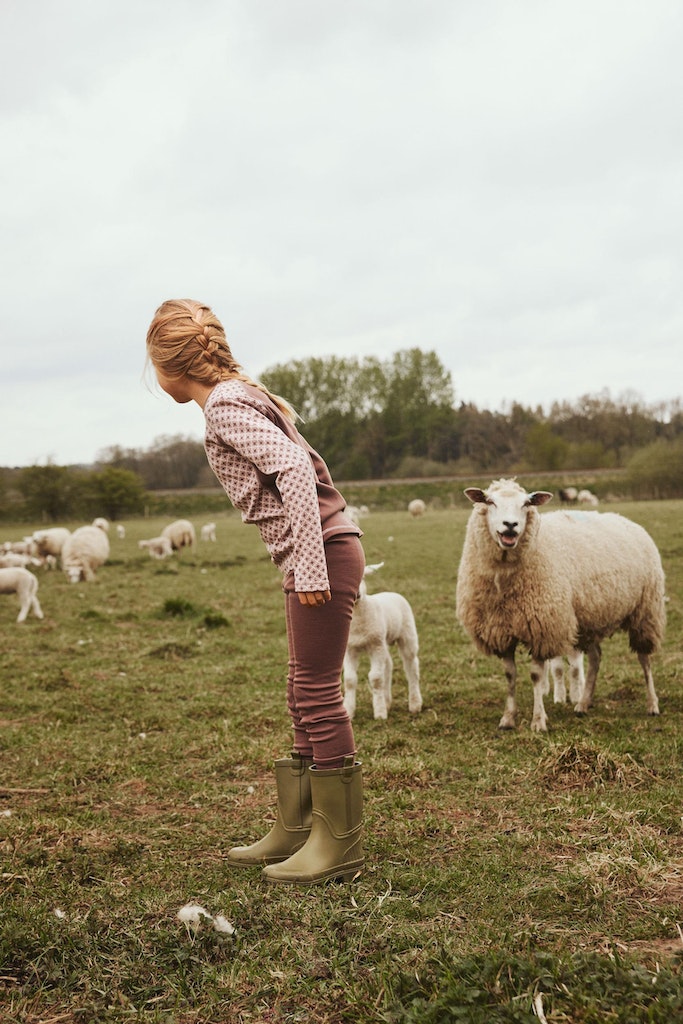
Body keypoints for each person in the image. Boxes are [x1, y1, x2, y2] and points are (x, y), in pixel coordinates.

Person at [145, 298, 365, 886]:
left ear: (170, 366)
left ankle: (337, 841)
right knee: (301, 687)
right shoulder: (238, 394)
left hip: (322, 553)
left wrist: (311, 567)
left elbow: (293, 468)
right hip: (313, 552)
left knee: (317, 691)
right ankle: (298, 826)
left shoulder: (222, 406)